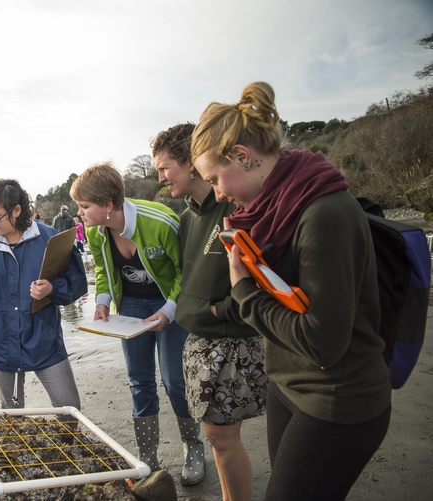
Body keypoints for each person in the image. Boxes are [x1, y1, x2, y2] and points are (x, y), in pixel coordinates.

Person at [190, 82, 391, 501]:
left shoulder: (324, 212)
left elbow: (323, 344)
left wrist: (243, 289)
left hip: (337, 398)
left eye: (215, 179)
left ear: (243, 156)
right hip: (287, 384)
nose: (219, 194)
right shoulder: (274, 208)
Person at [70, 163, 205, 484]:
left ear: (107, 205)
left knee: (175, 381)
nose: (79, 213)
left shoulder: (160, 221)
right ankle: (148, 456)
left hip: (170, 303)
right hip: (129, 305)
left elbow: (188, 271)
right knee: (139, 381)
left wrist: (169, 311)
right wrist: (102, 302)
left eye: (84, 206)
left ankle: (194, 447)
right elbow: (103, 271)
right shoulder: (93, 230)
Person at [154, 123, 268, 500]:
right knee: (215, 436)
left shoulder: (236, 203)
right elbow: (187, 278)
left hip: (233, 340)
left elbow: (261, 280)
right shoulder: (186, 217)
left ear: (189, 163)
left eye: (164, 167)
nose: (159, 177)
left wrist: (220, 310)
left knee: (222, 435)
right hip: (198, 342)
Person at [0, 179, 87, 417]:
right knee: (12, 415)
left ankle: (67, 446)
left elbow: (77, 282)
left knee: (70, 409)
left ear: (17, 210)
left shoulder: (51, 239)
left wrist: (51, 289)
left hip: (44, 340)